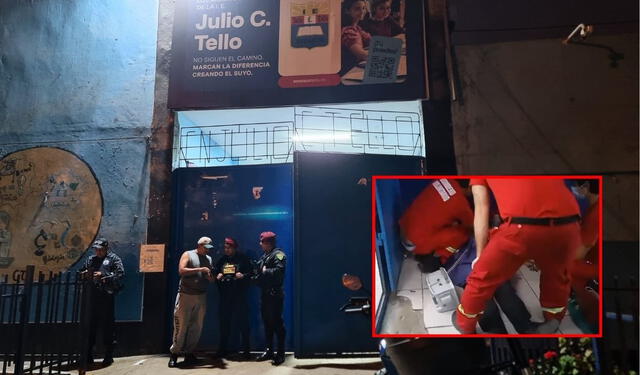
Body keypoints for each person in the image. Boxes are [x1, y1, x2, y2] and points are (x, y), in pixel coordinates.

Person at [454, 178, 581, 334]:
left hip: (521, 227)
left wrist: (480, 255)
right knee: (557, 276)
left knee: (481, 277)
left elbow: (481, 209)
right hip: (570, 224)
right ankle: (553, 319)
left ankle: (464, 323)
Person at [398, 179, 473, 273]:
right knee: (462, 234)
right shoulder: (461, 204)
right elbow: (473, 227)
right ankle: (436, 260)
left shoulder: (444, 179)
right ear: (470, 188)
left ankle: (428, 250)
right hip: (414, 244)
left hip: (403, 226)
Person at [168, 236, 214, 368]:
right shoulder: (188, 254)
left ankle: (189, 353)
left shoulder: (209, 259)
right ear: (199, 245)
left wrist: (210, 277)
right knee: (181, 326)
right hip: (186, 295)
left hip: (201, 296)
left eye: (209, 248)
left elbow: (210, 279)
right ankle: (175, 354)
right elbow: (181, 271)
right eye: (206, 248)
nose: (207, 251)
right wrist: (200, 270)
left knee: (196, 327)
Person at [81, 237, 124, 366]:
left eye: (100, 250)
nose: (98, 252)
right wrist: (84, 274)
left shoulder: (114, 259)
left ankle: (108, 355)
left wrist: (104, 277)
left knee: (108, 327)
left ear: (106, 249)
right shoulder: (91, 260)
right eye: (96, 249)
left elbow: (120, 275)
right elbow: (80, 272)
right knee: (90, 326)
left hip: (106, 296)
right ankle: (88, 354)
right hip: (91, 297)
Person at [215, 237, 252, 359]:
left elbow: (251, 273)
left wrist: (243, 276)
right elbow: (214, 272)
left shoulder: (242, 258)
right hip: (225, 297)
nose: (226, 250)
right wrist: (218, 276)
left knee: (243, 323)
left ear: (234, 248)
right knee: (224, 323)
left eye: (229, 248)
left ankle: (246, 350)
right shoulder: (222, 260)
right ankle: (222, 349)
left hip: (239, 296)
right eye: (225, 248)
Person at [254, 231, 287, 366]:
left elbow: (279, 272)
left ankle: (280, 353)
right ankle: (269, 351)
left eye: (261, 242)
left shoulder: (279, 255)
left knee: (277, 324)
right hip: (266, 294)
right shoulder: (265, 256)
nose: (260, 244)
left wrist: (264, 271)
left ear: (268, 243)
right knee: (267, 323)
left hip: (275, 295)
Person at [341, 0, 371, 73]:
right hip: (350, 72)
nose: (362, 11)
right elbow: (362, 55)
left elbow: (374, 42)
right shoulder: (348, 31)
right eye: (357, 9)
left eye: (363, 8)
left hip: (359, 69)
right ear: (347, 11)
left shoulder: (357, 28)